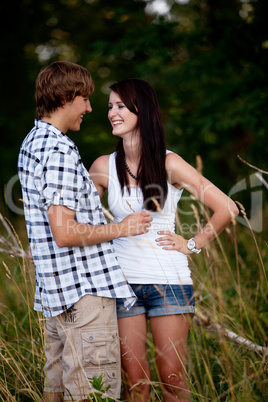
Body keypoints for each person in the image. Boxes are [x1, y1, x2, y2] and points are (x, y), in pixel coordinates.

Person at [89, 78, 239, 401]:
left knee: (172, 377)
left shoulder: (170, 162)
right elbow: (73, 216)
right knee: (135, 384)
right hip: (122, 283)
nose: (112, 113)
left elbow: (226, 207)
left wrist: (192, 244)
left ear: (140, 110)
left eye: (119, 106)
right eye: (109, 107)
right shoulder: (103, 167)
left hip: (168, 283)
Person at [18, 63, 152, 402]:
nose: (90, 109)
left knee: (56, 390)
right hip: (84, 294)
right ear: (66, 97)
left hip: (55, 295)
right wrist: (123, 227)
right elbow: (63, 232)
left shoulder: (31, 142)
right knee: (95, 395)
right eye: (85, 99)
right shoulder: (60, 149)